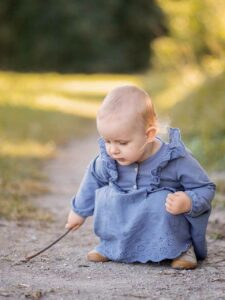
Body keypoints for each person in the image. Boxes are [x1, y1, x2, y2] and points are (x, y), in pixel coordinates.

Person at [65, 85, 215, 269]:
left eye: (122, 142)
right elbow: (92, 179)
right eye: (107, 140)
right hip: (124, 220)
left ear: (149, 135)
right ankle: (113, 246)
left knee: (162, 200)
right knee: (108, 195)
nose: (112, 149)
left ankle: (181, 248)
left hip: (162, 222)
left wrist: (189, 201)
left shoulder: (174, 158)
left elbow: (205, 187)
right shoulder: (109, 160)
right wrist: (79, 211)